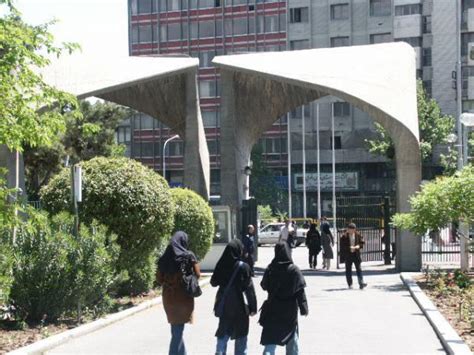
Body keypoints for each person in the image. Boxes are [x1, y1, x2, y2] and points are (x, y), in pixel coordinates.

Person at [260, 242, 308, 355]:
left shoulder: (270, 268)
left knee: (271, 338)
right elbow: (300, 291)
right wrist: (304, 308)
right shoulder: (294, 270)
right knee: (291, 337)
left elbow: (264, 285)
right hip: (289, 310)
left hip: (273, 308)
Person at [211, 239, 257, 355]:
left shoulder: (221, 264)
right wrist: (253, 307)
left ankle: (219, 351)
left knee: (223, 331)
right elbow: (249, 289)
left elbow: (213, 282)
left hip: (225, 304)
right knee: (241, 334)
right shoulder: (243, 267)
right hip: (240, 306)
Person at [157, 231, 200, 355]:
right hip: (183, 297)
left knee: (176, 329)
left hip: (169, 298)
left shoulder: (164, 257)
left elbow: (159, 279)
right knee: (177, 331)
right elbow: (197, 274)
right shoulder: (189, 256)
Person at [340, 223, 367, 290]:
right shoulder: (344, 236)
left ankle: (361, 283)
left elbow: (362, 242)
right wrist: (349, 247)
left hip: (356, 255)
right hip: (348, 255)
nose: (351, 231)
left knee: (359, 269)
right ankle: (350, 284)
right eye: (349, 229)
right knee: (348, 270)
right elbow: (342, 246)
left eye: (352, 230)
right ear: (348, 229)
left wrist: (358, 246)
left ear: (354, 229)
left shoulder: (358, 235)